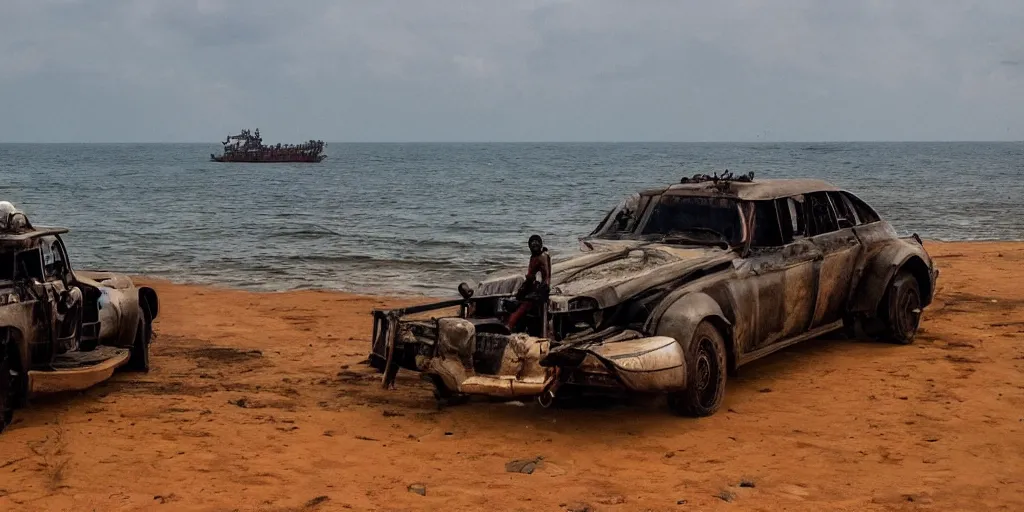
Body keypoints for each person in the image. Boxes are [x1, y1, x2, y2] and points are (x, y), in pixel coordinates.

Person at [505, 235, 552, 331]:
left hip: (541, 290)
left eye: (537, 242)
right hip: (533, 287)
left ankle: (510, 325)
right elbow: (531, 275)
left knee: (526, 304)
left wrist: (542, 290)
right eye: (532, 242)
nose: (534, 244)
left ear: (541, 244)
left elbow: (547, 276)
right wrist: (523, 288)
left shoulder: (543, 256)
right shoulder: (533, 257)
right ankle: (518, 326)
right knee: (515, 301)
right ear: (529, 246)